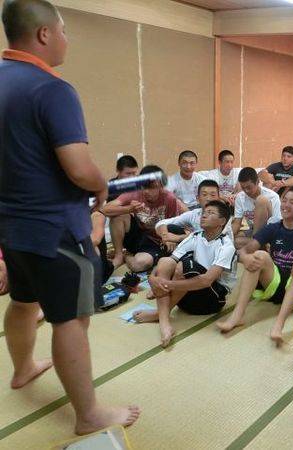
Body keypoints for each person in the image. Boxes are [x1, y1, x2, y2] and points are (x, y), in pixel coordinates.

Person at [0, 0, 139, 434]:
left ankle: (22, 368)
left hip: (11, 226)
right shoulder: (52, 88)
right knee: (71, 319)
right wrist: (100, 186)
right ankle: (88, 414)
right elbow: (79, 168)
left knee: (23, 302)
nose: (66, 39)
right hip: (56, 229)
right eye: (63, 30)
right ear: (44, 33)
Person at [216, 185, 293, 345]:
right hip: (274, 283)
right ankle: (237, 316)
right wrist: (245, 258)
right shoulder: (273, 228)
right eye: (284, 200)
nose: (285, 205)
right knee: (259, 256)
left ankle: (279, 325)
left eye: (292, 202)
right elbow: (244, 250)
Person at [133, 200, 236, 347]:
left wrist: (167, 284)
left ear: (222, 221)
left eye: (210, 213)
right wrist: (152, 278)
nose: (204, 216)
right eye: (204, 213)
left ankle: (159, 314)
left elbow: (207, 280)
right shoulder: (195, 236)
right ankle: (164, 322)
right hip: (187, 298)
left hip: (211, 301)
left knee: (185, 267)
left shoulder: (226, 245)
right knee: (165, 261)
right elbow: (169, 261)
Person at [104, 165, 185, 272]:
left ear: (161, 186)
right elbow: (105, 209)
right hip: (139, 235)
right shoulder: (134, 193)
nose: (146, 191)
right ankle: (118, 255)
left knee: (138, 265)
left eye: (151, 187)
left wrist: (170, 238)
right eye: (144, 186)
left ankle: (125, 255)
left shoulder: (169, 198)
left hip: (157, 241)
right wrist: (129, 209)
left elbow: (173, 225)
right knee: (118, 216)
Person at [155, 179, 229, 246]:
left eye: (213, 195)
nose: (208, 199)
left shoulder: (223, 216)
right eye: (204, 195)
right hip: (194, 251)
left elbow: (209, 239)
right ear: (197, 199)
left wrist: (179, 237)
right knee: (171, 228)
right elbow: (161, 223)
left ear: (218, 198)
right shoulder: (194, 214)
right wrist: (166, 237)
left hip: (218, 252)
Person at [232, 167, 281, 249]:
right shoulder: (240, 197)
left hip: (270, 231)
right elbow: (237, 223)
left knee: (261, 200)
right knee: (235, 241)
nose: (246, 191)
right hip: (253, 230)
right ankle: (261, 246)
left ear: (257, 182)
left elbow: (276, 224)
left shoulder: (272, 196)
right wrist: (226, 237)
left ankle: (257, 244)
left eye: (249, 187)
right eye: (243, 188)